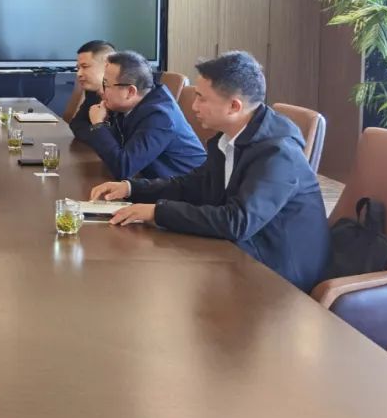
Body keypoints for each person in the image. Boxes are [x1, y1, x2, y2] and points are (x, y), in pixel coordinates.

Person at [91, 51, 330, 292]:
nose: (194, 106)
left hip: (278, 276)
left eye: (202, 98)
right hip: (238, 252)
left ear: (234, 106)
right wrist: (131, 188)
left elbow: (237, 222)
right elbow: (193, 184)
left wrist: (157, 212)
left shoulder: (277, 152)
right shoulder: (227, 139)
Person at [80, 50, 206, 180]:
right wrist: (104, 123)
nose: (101, 91)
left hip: (189, 189)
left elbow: (123, 168)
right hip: (153, 182)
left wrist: (98, 125)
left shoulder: (160, 116)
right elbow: (117, 149)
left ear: (130, 92)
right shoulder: (129, 104)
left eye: (106, 84)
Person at [68, 40, 114, 140]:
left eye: (85, 67)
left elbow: (115, 142)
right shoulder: (92, 92)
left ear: (107, 66)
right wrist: (97, 131)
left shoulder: (125, 97)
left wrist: (97, 124)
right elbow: (76, 125)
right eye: (78, 68)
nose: (79, 74)